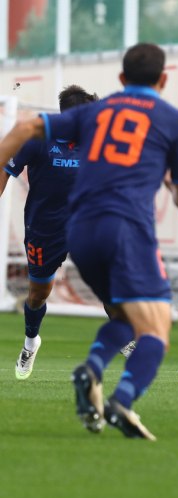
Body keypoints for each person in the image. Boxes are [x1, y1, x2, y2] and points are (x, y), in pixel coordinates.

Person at [0, 43, 178, 439]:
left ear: (121, 79)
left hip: (86, 229)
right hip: (89, 228)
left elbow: (21, 128)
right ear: (164, 79)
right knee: (148, 321)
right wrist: (172, 182)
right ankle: (110, 389)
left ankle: (95, 368)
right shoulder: (170, 122)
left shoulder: (98, 118)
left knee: (121, 305)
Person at [0, 85, 105, 380]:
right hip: (45, 228)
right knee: (37, 294)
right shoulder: (37, 140)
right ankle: (31, 341)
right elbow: (5, 169)